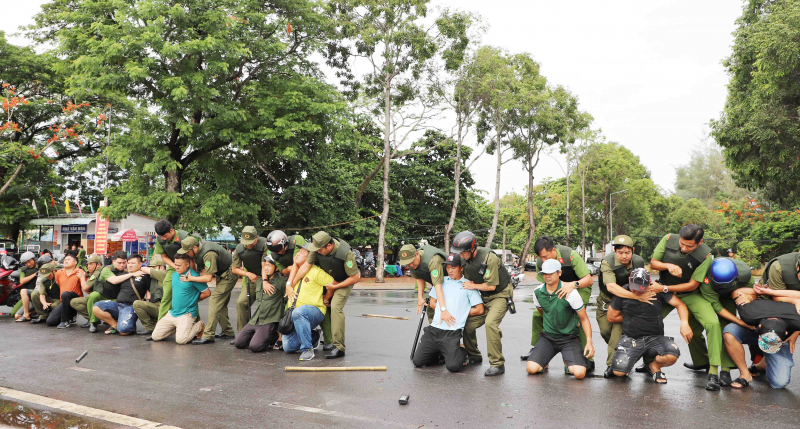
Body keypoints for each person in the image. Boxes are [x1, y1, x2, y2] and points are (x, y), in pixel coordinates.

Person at [644, 224, 723, 390]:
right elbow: (653, 263)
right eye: (682, 244)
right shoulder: (667, 239)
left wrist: (664, 289)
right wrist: (668, 266)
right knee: (647, 321)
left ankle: (713, 372)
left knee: (712, 323)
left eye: (689, 246)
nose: (684, 248)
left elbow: (692, 285)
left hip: (689, 294)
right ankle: (648, 361)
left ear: (700, 242)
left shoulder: (706, 256)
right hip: (663, 290)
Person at [607, 268, 693, 384]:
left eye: (641, 288)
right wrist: (633, 317)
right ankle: (627, 363)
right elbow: (611, 317)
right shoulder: (623, 292)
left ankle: (654, 366)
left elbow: (680, 305)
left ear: (649, 283)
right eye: (634, 287)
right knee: (619, 373)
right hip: (632, 339)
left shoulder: (657, 289)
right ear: (629, 280)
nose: (637, 291)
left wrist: (684, 323)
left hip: (655, 338)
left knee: (673, 354)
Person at [451, 230, 513, 376]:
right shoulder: (462, 257)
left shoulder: (489, 258)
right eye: (459, 252)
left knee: (490, 324)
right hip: (484, 296)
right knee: (467, 323)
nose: (461, 255)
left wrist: (472, 286)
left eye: (463, 252)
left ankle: (497, 364)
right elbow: (451, 268)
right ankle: (474, 355)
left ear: (473, 249)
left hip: (500, 294)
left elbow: (491, 286)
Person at [291, 231, 360, 359]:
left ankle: (339, 347)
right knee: (323, 306)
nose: (317, 252)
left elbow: (355, 277)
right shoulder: (317, 248)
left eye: (319, 250)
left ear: (329, 245)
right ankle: (327, 339)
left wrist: (335, 287)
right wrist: (291, 284)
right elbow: (306, 266)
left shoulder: (345, 253)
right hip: (327, 280)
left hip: (343, 282)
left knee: (335, 307)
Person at [528, 236, 594, 371]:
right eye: (541, 257)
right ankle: (538, 350)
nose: (544, 260)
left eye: (546, 256)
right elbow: (545, 284)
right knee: (538, 314)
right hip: (557, 288)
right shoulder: (541, 262)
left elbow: (588, 280)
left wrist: (572, 285)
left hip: (579, 286)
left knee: (576, 318)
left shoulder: (570, 256)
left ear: (553, 250)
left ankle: (586, 357)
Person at [412, 253, 484, 372]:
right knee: (418, 362)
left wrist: (459, 312)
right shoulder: (441, 281)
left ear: (461, 268)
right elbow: (432, 303)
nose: (450, 270)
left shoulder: (467, 285)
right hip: (434, 330)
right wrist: (444, 311)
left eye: (453, 268)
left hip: (451, 333)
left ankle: (462, 349)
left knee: (453, 367)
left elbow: (480, 309)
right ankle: (440, 351)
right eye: (448, 267)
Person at [597, 235, 651, 378]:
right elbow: (611, 287)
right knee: (605, 331)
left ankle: (613, 364)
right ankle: (624, 352)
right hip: (607, 301)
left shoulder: (638, 261)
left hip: (626, 304)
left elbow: (642, 281)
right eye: (620, 252)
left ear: (633, 250)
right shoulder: (607, 262)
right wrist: (636, 296)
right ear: (614, 251)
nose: (624, 256)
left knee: (617, 332)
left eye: (627, 252)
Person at [723, 289, 799, 389]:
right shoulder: (749, 314)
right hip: (754, 327)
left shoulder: (797, 321)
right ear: (759, 327)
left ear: (786, 333)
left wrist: (795, 334)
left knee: (779, 383)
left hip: (783, 337)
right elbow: (737, 291)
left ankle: (761, 365)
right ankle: (745, 373)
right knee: (730, 331)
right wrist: (749, 296)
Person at [698, 257, 757, 385]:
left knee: (727, 328)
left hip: (732, 295)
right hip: (711, 295)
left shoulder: (745, 274)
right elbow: (717, 307)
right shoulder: (706, 280)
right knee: (713, 325)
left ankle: (726, 369)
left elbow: (754, 294)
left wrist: (749, 297)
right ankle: (710, 366)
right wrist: (741, 323)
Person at [171, 237, 238, 345]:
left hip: (229, 274)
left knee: (214, 301)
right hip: (221, 274)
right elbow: (202, 272)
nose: (186, 254)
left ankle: (208, 335)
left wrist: (190, 278)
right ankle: (228, 332)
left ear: (195, 247)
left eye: (187, 251)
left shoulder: (208, 254)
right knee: (221, 304)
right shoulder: (198, 253)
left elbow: (208, 278)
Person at [282, 244, 330, 361]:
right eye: (298, 251)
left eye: (302, 252)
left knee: (299, 312)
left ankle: (307, 350)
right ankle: (314, 336)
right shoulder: (294, 271)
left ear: (310, 257)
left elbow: (333, 284)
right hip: (294, 315)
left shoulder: (316, 271)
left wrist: (326, 297)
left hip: (314, 311)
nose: (298, 253)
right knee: (288, 347)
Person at [151, 254, 209, 344]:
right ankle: (179, 329)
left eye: (179, 265)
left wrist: (195, 298)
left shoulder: (194, 277)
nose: (176, 267)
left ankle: (199, 325)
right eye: (175, 264)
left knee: (181, 340)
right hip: (173, 313)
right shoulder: (174, 275)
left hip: (186, 313)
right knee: (155, 337)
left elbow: (207, 293)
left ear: (187, 264)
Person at [234, 255, 287, 353]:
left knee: (255, 347)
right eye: (265, 265)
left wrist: (281, 324)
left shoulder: (281, 282)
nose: (266, 268)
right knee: (239, 343)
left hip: (269, 320)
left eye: (269, 265)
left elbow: (286, 300)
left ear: (276, 268)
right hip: (256, 319)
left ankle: (273, 335)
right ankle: (261, 336)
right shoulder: (259, 281)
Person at [93, 254, 150, 335]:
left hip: (130, 307)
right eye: (129, 263)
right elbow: (114, 280)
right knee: (97, 307)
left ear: (140, 264)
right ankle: (115, 325)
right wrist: (131, 274)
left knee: (124, 331)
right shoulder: (123, 275)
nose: (130, 265)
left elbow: (149, 293)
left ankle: (128, 324)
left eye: (133, 263)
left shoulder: (145, 276)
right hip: (117, 304)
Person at [153, 219, 197, 320]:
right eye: (161, 236)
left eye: (165, 236)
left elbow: (192, 258)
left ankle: (195, 321)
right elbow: (163, 256)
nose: (163, 238)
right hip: (173, 267)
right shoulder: (160, 239)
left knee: (189, 295)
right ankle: (161, 324)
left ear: (172, 230)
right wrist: (175, 266)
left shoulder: (184, 237)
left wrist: (193, 273)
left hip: (187, 266)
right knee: (167, 294)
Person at [231, 226, 270, 336]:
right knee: (241, 303)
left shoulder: (265, 244)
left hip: (268, 278)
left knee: (265, 305)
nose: (248, 245)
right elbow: (234, 269)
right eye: (246, 242)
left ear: (256, 237)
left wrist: (265, 281)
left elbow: (265, 266)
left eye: (250, 242)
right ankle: (242, 335)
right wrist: (247, 274)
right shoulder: (239, 248)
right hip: (252, 279)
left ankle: (265, 335)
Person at [399, 243, 448, 324]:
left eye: (412, 262)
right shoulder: (413, 263)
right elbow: (419, 277)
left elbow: (438, 286)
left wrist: (443, 310)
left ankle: (451, 325)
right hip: (437, 283)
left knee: (437, 305)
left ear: (417, 254)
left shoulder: (432, 260)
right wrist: (420, 297)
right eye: (408, 263)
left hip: (451, 281)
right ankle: (435, 329)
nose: (411, 265)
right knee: (431, 310)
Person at [81, 251, 128, 333]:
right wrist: (131, 274)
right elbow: (114, 281)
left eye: (124, 262)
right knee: (93, 295)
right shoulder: (107, 269)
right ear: (113, 261)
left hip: (117, 298)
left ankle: (113, 321)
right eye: (119, 263)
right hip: (103, 295)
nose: (122, 265)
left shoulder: (127, 271)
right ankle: (93, 322)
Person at [47, 254, 87, 328]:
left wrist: (82, 277)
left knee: (65, 294)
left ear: (75, 262)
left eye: (68, 259)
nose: (66, 261)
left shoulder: (79, 272)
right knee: (50, 321)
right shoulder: (59, 272)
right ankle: (70, 316)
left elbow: (85, 287)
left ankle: (65, 321)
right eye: (65, 260)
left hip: (76, 297)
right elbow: (59, 284)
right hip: (64, 299)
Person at [69, 254, 105, 327]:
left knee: (74, 302)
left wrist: (82, 277)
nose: (88, 266)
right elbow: (89, 291)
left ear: (98, 265)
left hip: (103, 298)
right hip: (99, 297)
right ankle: (94, 318)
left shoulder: (97, 273)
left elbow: (85, 288)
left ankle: (94, 319)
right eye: (87, 264)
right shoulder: (95, 272)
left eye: (91, 264)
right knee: (76, 301)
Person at [134, 258, 166, 336]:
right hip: (157, 306)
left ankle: (150, 327)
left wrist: (141, 268)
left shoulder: (164, 274)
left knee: (137, 304)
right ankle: (154, 325)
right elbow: (149, 297)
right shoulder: (154, 278)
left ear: (161, 267)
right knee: (140, 304)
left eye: (154, 267)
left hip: (164, 308)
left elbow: (144, 268)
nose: (151, 269)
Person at [12, 252, 41, 322]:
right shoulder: (23, 270)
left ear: (33, 259)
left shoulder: (40, 266)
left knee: (17, 315)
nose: (28, 264)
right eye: (25, 263)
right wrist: (35, 274)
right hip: (26, 295)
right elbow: (22, 281)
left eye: (29, 262)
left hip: (37, 294)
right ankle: (34, 312)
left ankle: (30, 313)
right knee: (14, 314)